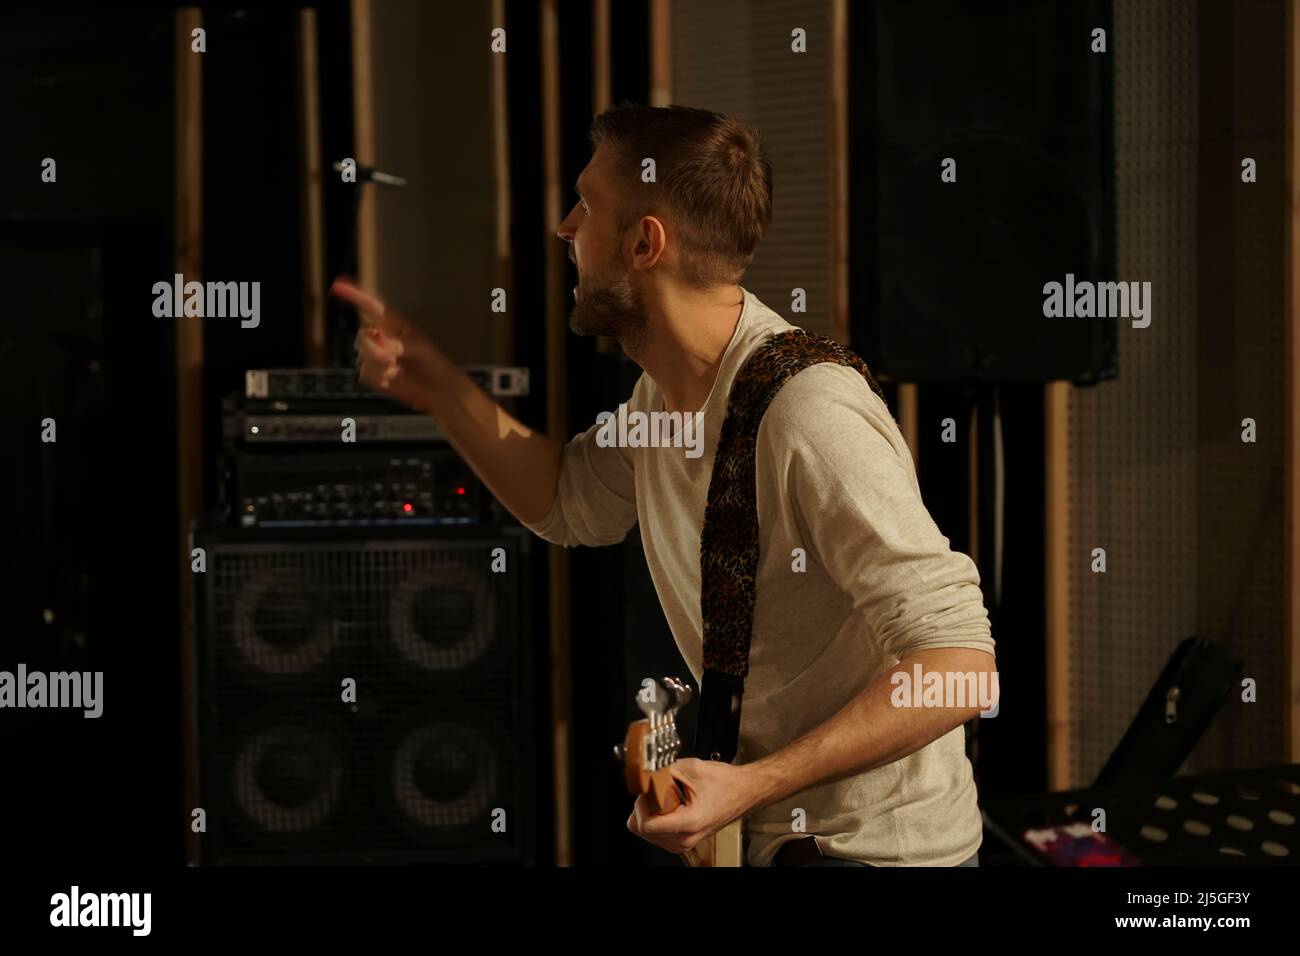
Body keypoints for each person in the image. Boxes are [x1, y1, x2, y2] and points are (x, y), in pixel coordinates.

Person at [331, 103, 996, 867]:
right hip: (783, 844)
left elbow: (959, 668)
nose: (565, 228)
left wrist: (751, 785)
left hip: (881, 858)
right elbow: (566, 500)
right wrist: (440, 387)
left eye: (587, 205)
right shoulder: (665, 393)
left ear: (645, 243)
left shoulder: (811, 411)